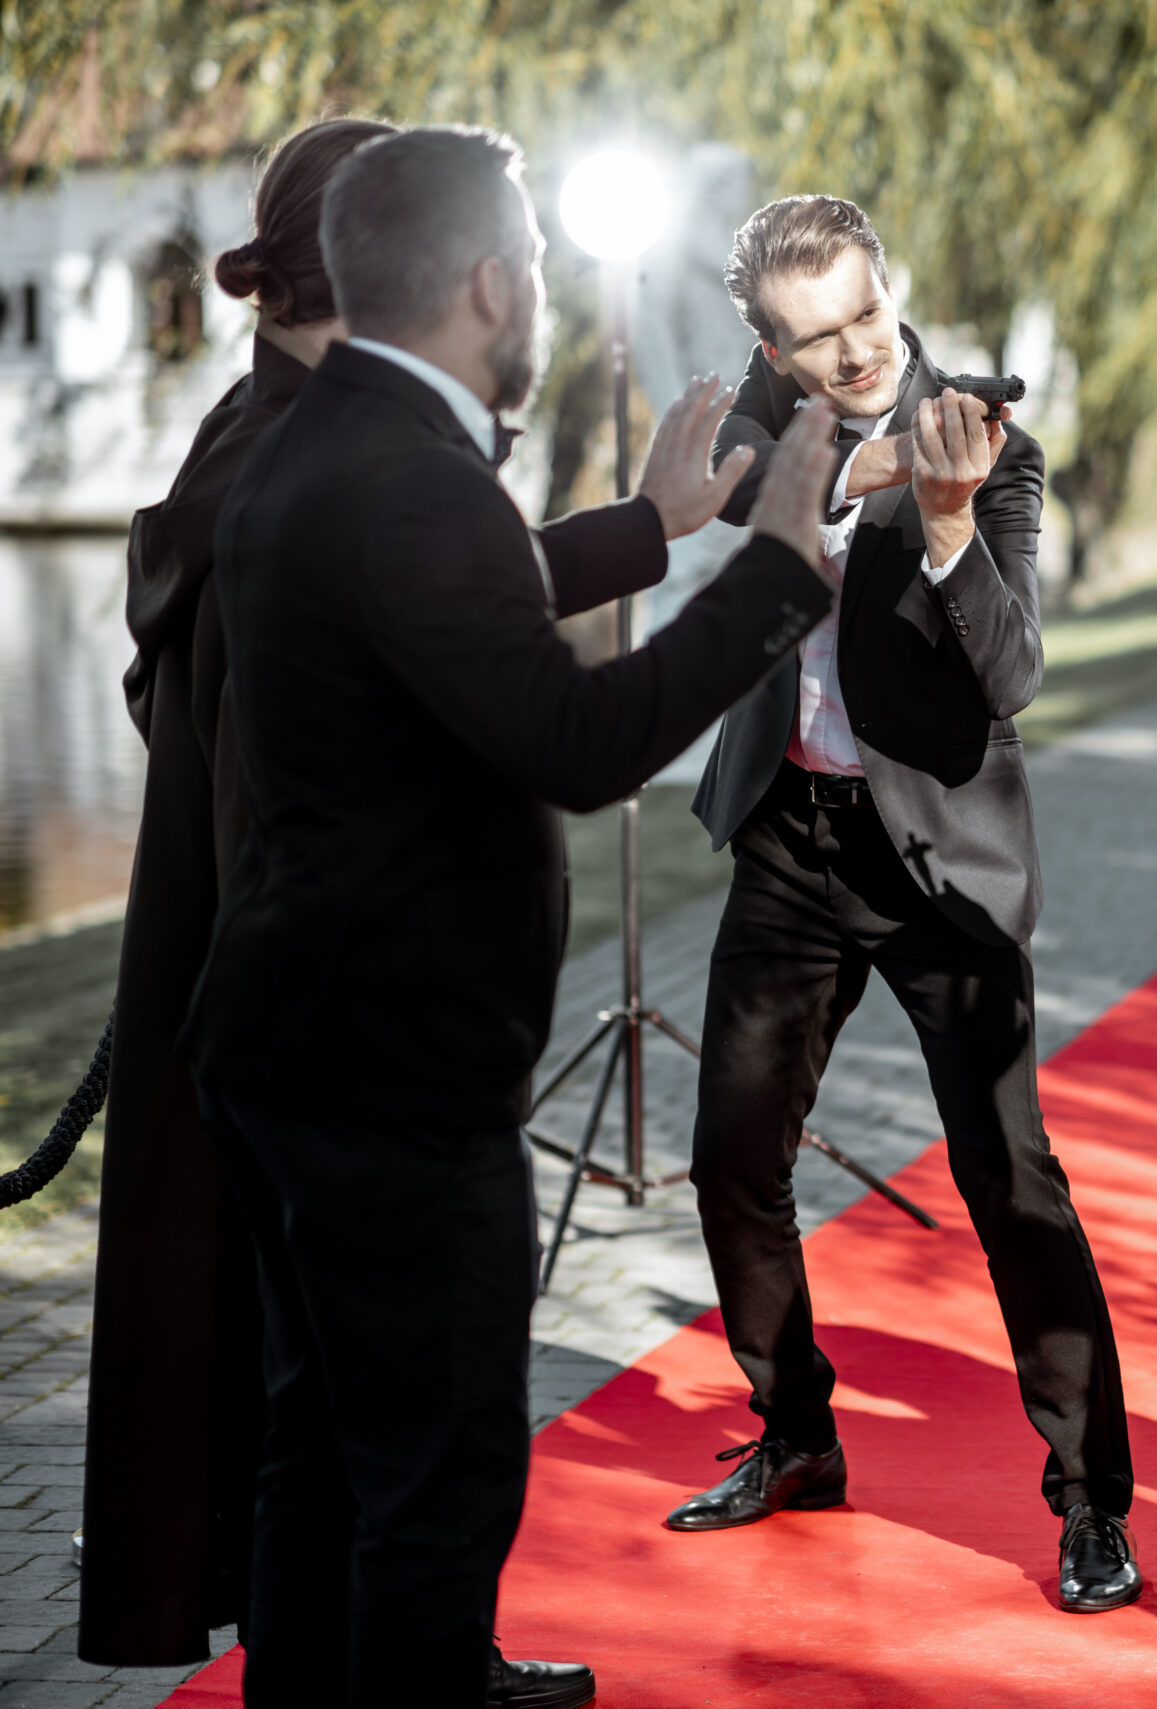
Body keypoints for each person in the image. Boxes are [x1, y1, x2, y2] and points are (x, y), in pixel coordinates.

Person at [180, 126, 846, 1708]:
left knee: (325, 1462)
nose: (541, 289)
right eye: (538, 263)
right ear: (491, 282)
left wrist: (652, 525)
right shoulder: (414, 474)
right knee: (434, 1495)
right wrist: (773, 570)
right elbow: (576, 739)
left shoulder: (320, 436)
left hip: (296, 1039)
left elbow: (449, 603)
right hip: (389, 1078)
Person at [664, 195, 1141, 1616]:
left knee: (1012, 1181)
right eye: (817, 339)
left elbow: (1011, 675)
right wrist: (877, 470)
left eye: (869, 316)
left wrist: (945, 529)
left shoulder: (989, 443)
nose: (859, 350)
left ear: (894, 288)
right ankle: (797, 1431)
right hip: (791, 840)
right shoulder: (764, 411)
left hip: (940, 855)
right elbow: (741, 482)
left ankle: (1091, 1502)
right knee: (730, 1155)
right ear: (769, 344)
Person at [83, 117, 395, 1670]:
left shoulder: (259, 426)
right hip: (315, 1009)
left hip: (252, 985)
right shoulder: (306, 455)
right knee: (332, 1392)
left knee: (335, 1391)